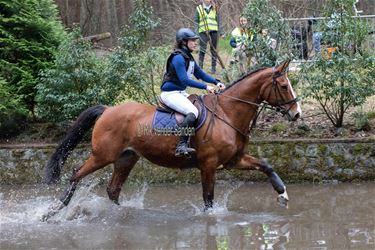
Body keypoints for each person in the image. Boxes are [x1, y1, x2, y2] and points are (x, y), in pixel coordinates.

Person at [161, 28, 226, 157]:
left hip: (180, 92)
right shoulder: (178, 58)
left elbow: (199, 73)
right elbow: (184, 80)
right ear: (184, 42)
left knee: (202, 107)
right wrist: (205, 87)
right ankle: (181, 146)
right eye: (192, 41)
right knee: (193, 112)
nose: (195, 43)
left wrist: (216, 81)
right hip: (170, 94)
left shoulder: (188, 57)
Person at [194, 0, 224, 74]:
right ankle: (200, 68)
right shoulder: (199, 8)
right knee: (202, 49)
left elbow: (219, 21)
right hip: (203, 31)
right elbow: (196, 21)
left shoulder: (215, 8)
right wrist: (196, 33)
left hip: (214, 31)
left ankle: (213, 68)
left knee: (213, 49)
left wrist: (221, 33)